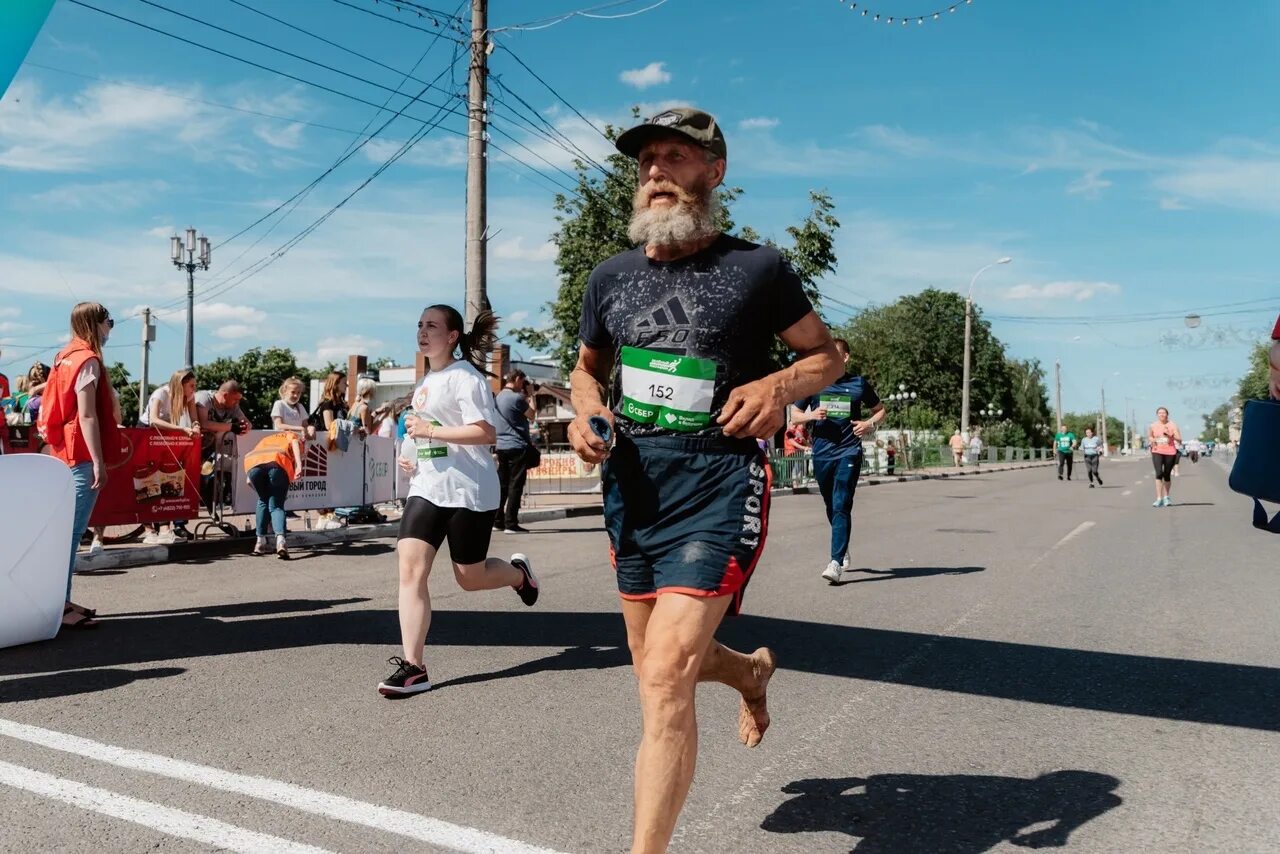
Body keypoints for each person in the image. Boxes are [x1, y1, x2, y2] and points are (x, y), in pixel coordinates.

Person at [567, 107, 843, 854]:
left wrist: (777, 388)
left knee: (663, 682)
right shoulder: (610, 278)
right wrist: (583, 414)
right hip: (634, 489)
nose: (655, 170)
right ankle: (750, 673)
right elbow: (586, 374)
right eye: (646, 160)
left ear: (713, 172)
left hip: (717, 485)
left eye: (675, 157)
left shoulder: (758, 267)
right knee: (657, 669)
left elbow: (828, 357)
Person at [379, 305, 540, 698]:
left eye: (431, 325)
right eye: (419, 324)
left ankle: (519, 575)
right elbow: (423, 434)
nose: (422, 331)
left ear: (452, 337)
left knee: (470, 578)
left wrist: (431, 431)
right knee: (410, 569)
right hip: (427, 487)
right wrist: (411, 451)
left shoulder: (465, 377)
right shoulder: (426, 382)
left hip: (469, 488)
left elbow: (486, 434)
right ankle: (414, 667)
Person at [37, 302, 121, 631]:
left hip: (62, 449)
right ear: (95, 324)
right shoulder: (88, 360)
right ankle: (58, 606)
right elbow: (86, 415)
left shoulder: (64, 356)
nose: (111, 328)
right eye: (109, 322)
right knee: (70, 534)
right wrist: (99, 461)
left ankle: (61, 601)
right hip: (80, 453)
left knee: (65, 532)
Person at [792, 338, 885, 583]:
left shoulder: (858, 383)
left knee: (842, 501)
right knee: (831, 504)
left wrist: (868, 424)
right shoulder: (814, 383)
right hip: (822, 452)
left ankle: (835, 563)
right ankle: (842, 548)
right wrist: (811, 414)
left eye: (835, 355)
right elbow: (794, 415)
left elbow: (880, 410)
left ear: (845, 358)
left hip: (849, 451)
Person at [139, 368, 201, 543]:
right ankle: (149, 529)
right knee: (148, 478)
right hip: (147, 432)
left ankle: (165, 527)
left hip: (166, 433)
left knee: (167, 477)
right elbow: (153, 420)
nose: (194, 389)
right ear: (180, 385)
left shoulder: (189, 397)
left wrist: (195, 426)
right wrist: (182, 429)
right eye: (191, 385)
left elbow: (194, 417)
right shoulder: (161, 393)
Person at [242, 429, 305, 558]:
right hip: (277, 463)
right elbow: (294, 442)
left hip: (253, 465)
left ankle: (260, 542)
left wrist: (265, 494)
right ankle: (281, 542)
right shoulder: (291, 435)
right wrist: (299, 464)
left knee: (262, 500)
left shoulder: (267, 440)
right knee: (276, 505)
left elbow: (249, 481)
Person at [493, 369, 537, 534]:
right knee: (515, 485)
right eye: (522, 382)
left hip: (501, 446)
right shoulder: (516, 398)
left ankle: (497, 521)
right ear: (518, 379)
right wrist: (531, 395)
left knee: (502, 485)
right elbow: (532, 415)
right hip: (517, 446)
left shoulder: (498, 398)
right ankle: (511, 523)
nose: (523, 386)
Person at [1148, 406, 1182, 507]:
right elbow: (1150, 436)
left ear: (1167, 414)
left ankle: (1166, 497)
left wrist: (1170, 436)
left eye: (1163, 413)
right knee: (1159, 473)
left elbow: (1179, 439)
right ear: (1157, 415)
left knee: (1166, 474)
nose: (1162, 414)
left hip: (1170, 452)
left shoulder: (1173, 425)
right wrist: (1152, 440)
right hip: (1157, 450)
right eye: (1159, 413)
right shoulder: (1153, 425)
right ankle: (1159, 498)